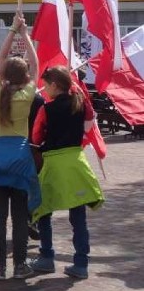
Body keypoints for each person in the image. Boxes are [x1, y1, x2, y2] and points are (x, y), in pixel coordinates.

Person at [0, 12, 41, 281]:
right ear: (25, 76)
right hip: (19, 157)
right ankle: (19, 265)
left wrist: (12, 32)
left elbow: (0, 61)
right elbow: (36, 65)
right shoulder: (28, 94)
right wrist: (25, 35)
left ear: (3, 74)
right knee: (19, 216)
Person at [29, 66, 104, 280]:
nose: (43, 90)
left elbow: (35, 137)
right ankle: (81, 262)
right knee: (78, 216)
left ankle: (46, 257)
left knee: (43, 211)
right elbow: (89, 127)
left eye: (45, 85)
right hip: (76, 163)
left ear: (54, 85)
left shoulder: (46, 108)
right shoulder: (81, 104)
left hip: (53, 163)